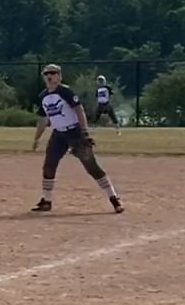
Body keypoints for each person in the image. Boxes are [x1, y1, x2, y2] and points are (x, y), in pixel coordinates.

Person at [30, 65, 122, 214]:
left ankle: (114, 198)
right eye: (46, 74)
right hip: (58, 135)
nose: (49, 76)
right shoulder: (43, 96)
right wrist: (36, 139)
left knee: (91, 167)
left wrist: (84, 132)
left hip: (74, 132)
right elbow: (42, 120)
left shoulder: (65, 91)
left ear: (59, 76)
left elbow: (79, 110)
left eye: (53, 73)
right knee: (49, 166)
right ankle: (46, 200)